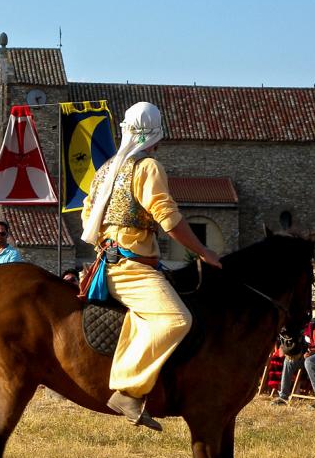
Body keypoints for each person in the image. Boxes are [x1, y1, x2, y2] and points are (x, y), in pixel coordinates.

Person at [80, 101, 221, 430]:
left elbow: (87, 217)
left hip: (108, 263)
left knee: (148, 315)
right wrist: (204, 252)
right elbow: (169, 220)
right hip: (131, 270)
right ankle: (128, 390)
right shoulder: (148, 168)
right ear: (154, 135)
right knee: (177, 319)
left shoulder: (105, 171)